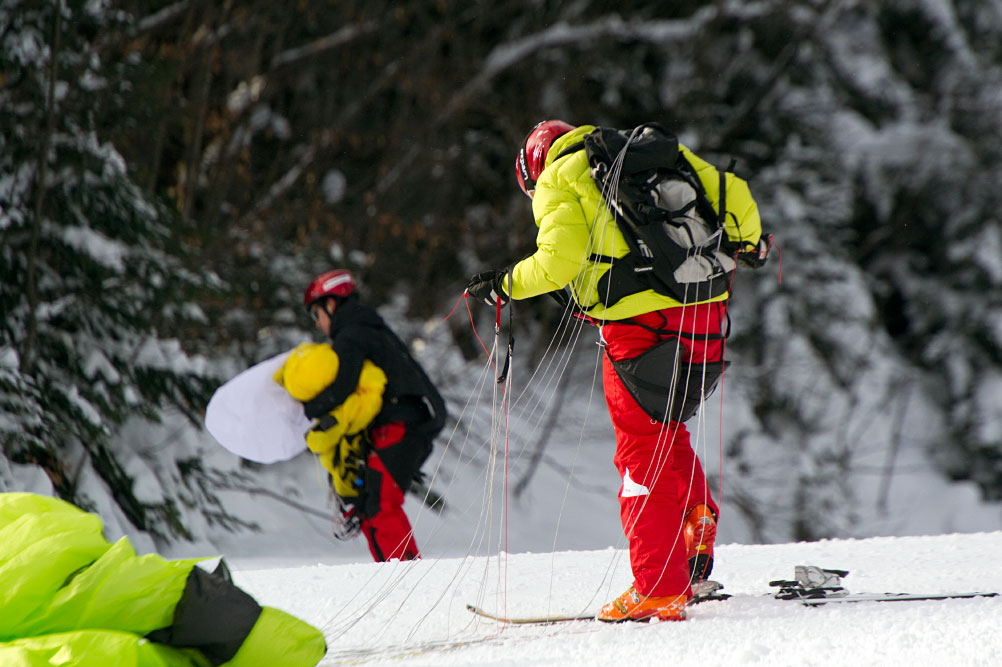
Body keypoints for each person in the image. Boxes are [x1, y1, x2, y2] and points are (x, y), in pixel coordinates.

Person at [466, 120, 767, 621]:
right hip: (708, 311)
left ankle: (658, 586)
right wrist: (750, 242)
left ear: (532, 168)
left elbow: (557, 262)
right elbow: (732, 190)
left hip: (638, 325)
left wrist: (505, 285)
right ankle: (693, 521)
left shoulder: (559, 178)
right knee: (665, 430)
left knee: (639, 452)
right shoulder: (645, 155)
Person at [275, 269, 446, 562]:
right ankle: (396, 578)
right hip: (407, 422)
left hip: (400, 424)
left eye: (316, 315)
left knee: (380, 505)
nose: (318, 324)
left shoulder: (353, 333)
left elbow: (343, 386)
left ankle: (406, 580)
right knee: (370, 505)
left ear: (331, 304)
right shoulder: (368, 327)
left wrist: (307, 409)